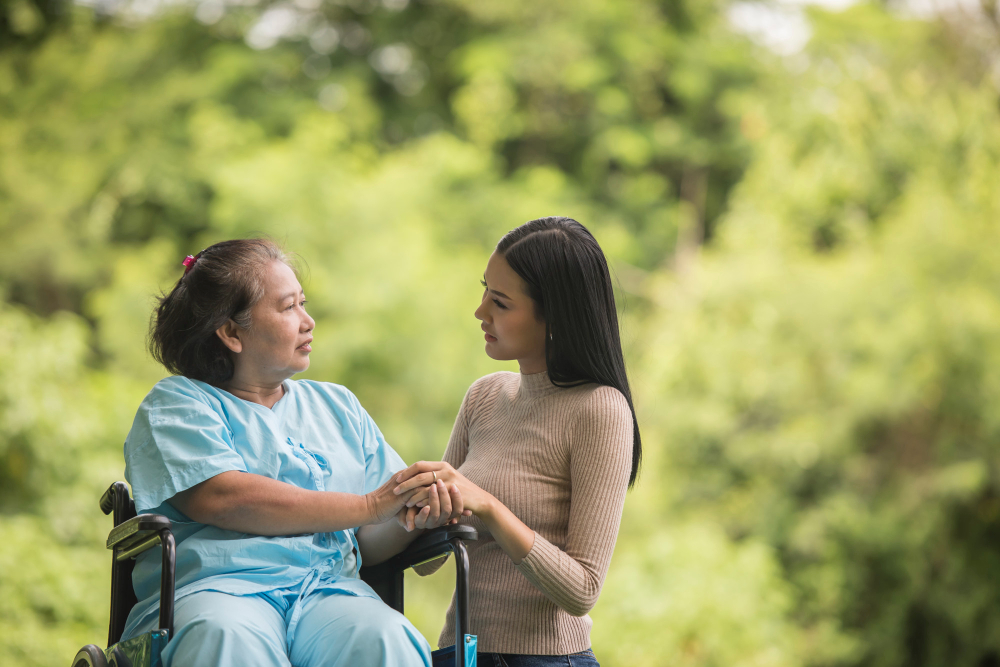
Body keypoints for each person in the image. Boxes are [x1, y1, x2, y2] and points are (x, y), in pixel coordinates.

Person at [121, 238, 464, 667]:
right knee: (226, 640)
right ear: (230, 332)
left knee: (385, 638)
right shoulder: (178, 403)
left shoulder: (337, 406)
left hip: (326, 592)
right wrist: (372, 503)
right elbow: (224, 499)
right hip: (218, 589)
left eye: (304, 303)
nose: (309, 321)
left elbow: (370, 540)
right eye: (288, 308)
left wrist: (415, 513)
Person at [394, 217, 641, 667]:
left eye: (501, 302)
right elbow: (429, 560)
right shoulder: (485, 396)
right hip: (459, 653)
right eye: (485, 290)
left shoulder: (599, 409)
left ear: (554, 317)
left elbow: (582, 590)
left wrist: (487, 505)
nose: (480, 311)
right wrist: (422, 502)